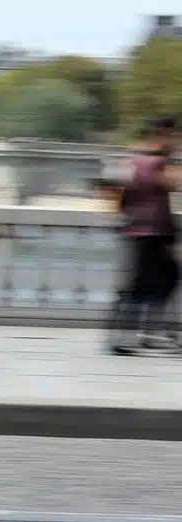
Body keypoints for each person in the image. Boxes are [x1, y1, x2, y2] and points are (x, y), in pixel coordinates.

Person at [108, 117, 181, 355]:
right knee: (148, 283)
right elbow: (173, 183)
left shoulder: (133, 160)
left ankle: (138, 333)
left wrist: (125, 217)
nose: (176, 142)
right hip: (152, 232)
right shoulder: (155, 162)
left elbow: (116, 191)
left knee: (159, 279)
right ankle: (131, 335)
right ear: (162, 135)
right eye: (174, 137)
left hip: (140, 230)